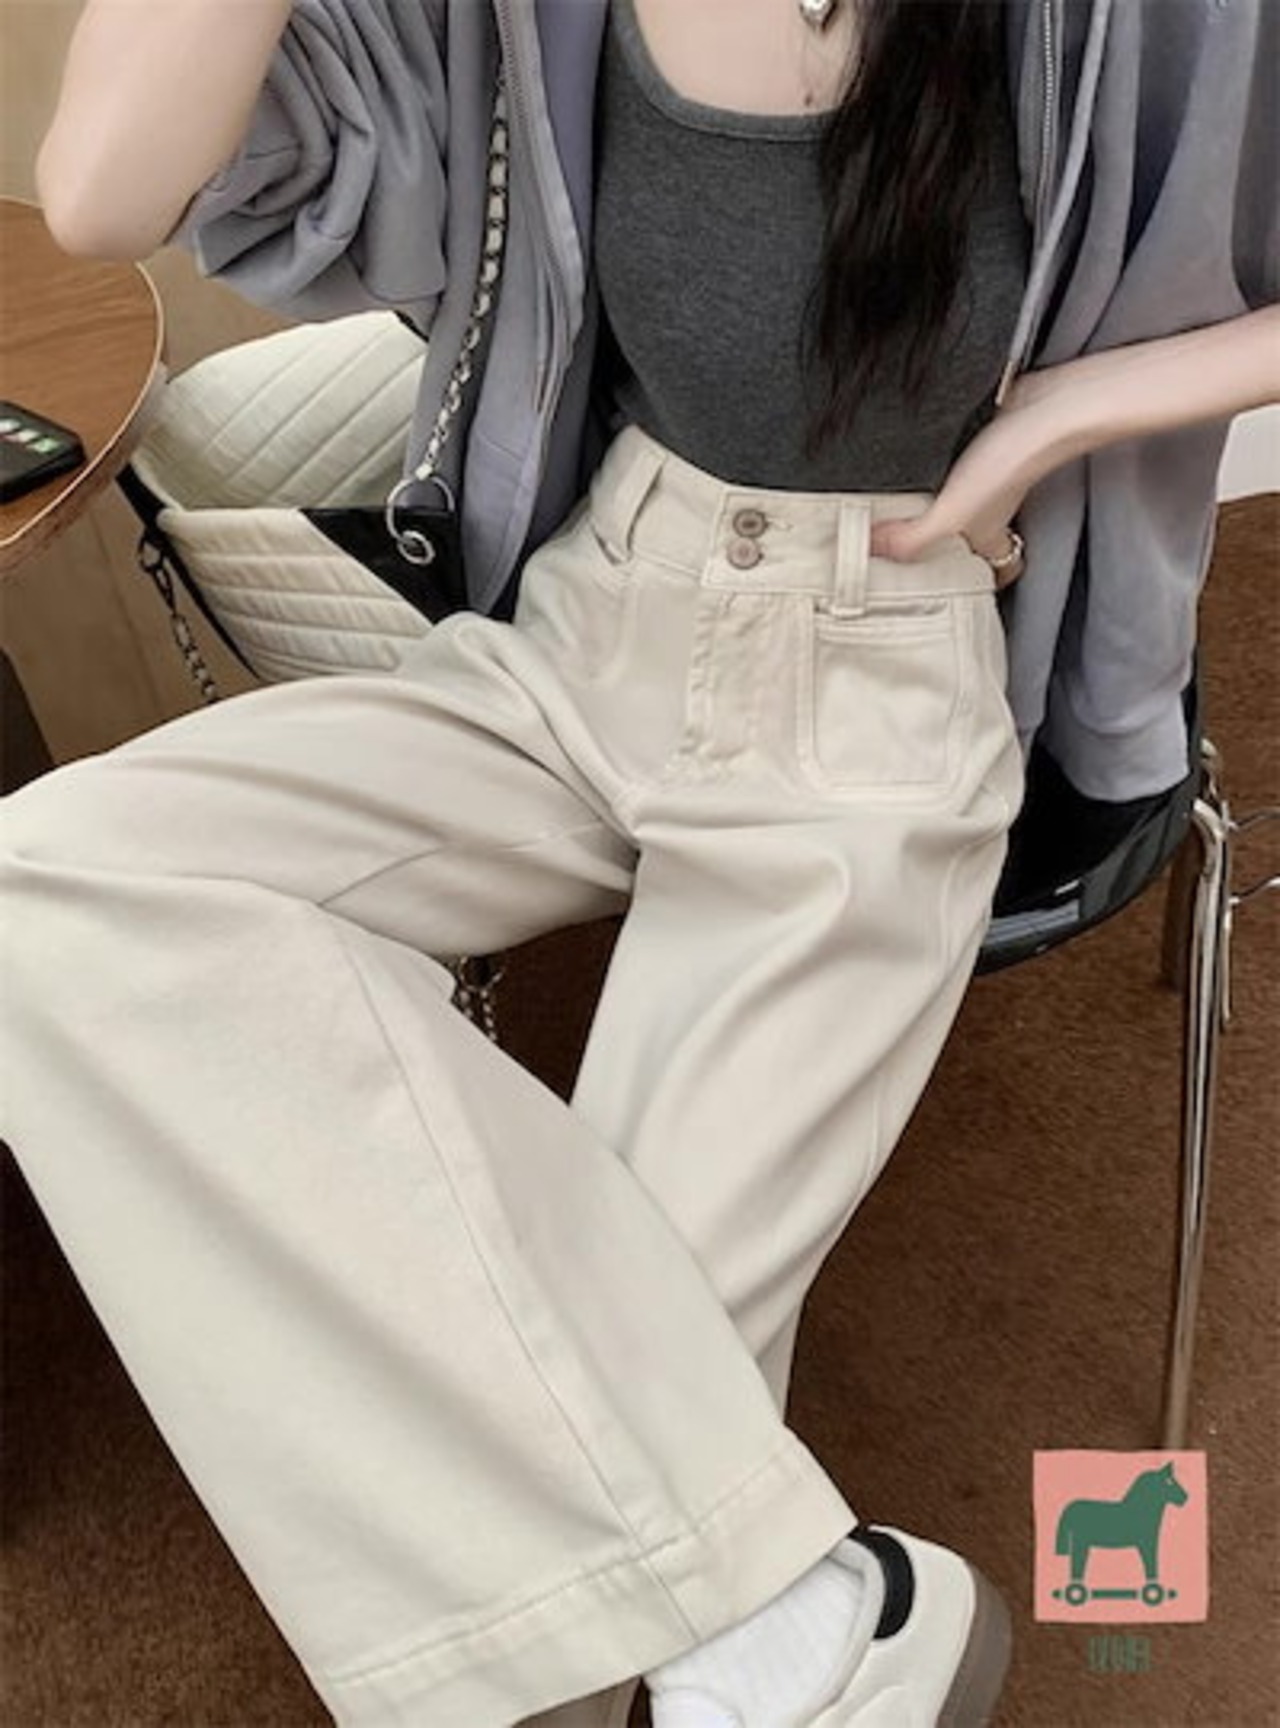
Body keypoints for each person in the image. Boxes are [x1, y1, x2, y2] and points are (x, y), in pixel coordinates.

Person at [5, 1, 1276, 1724]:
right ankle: (794, 1637)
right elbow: (102, 194)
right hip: (592, 613)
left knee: (621, 1369)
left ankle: (731, 1641)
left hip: (876, 660)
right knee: (48, 883)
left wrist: (1069, 416)